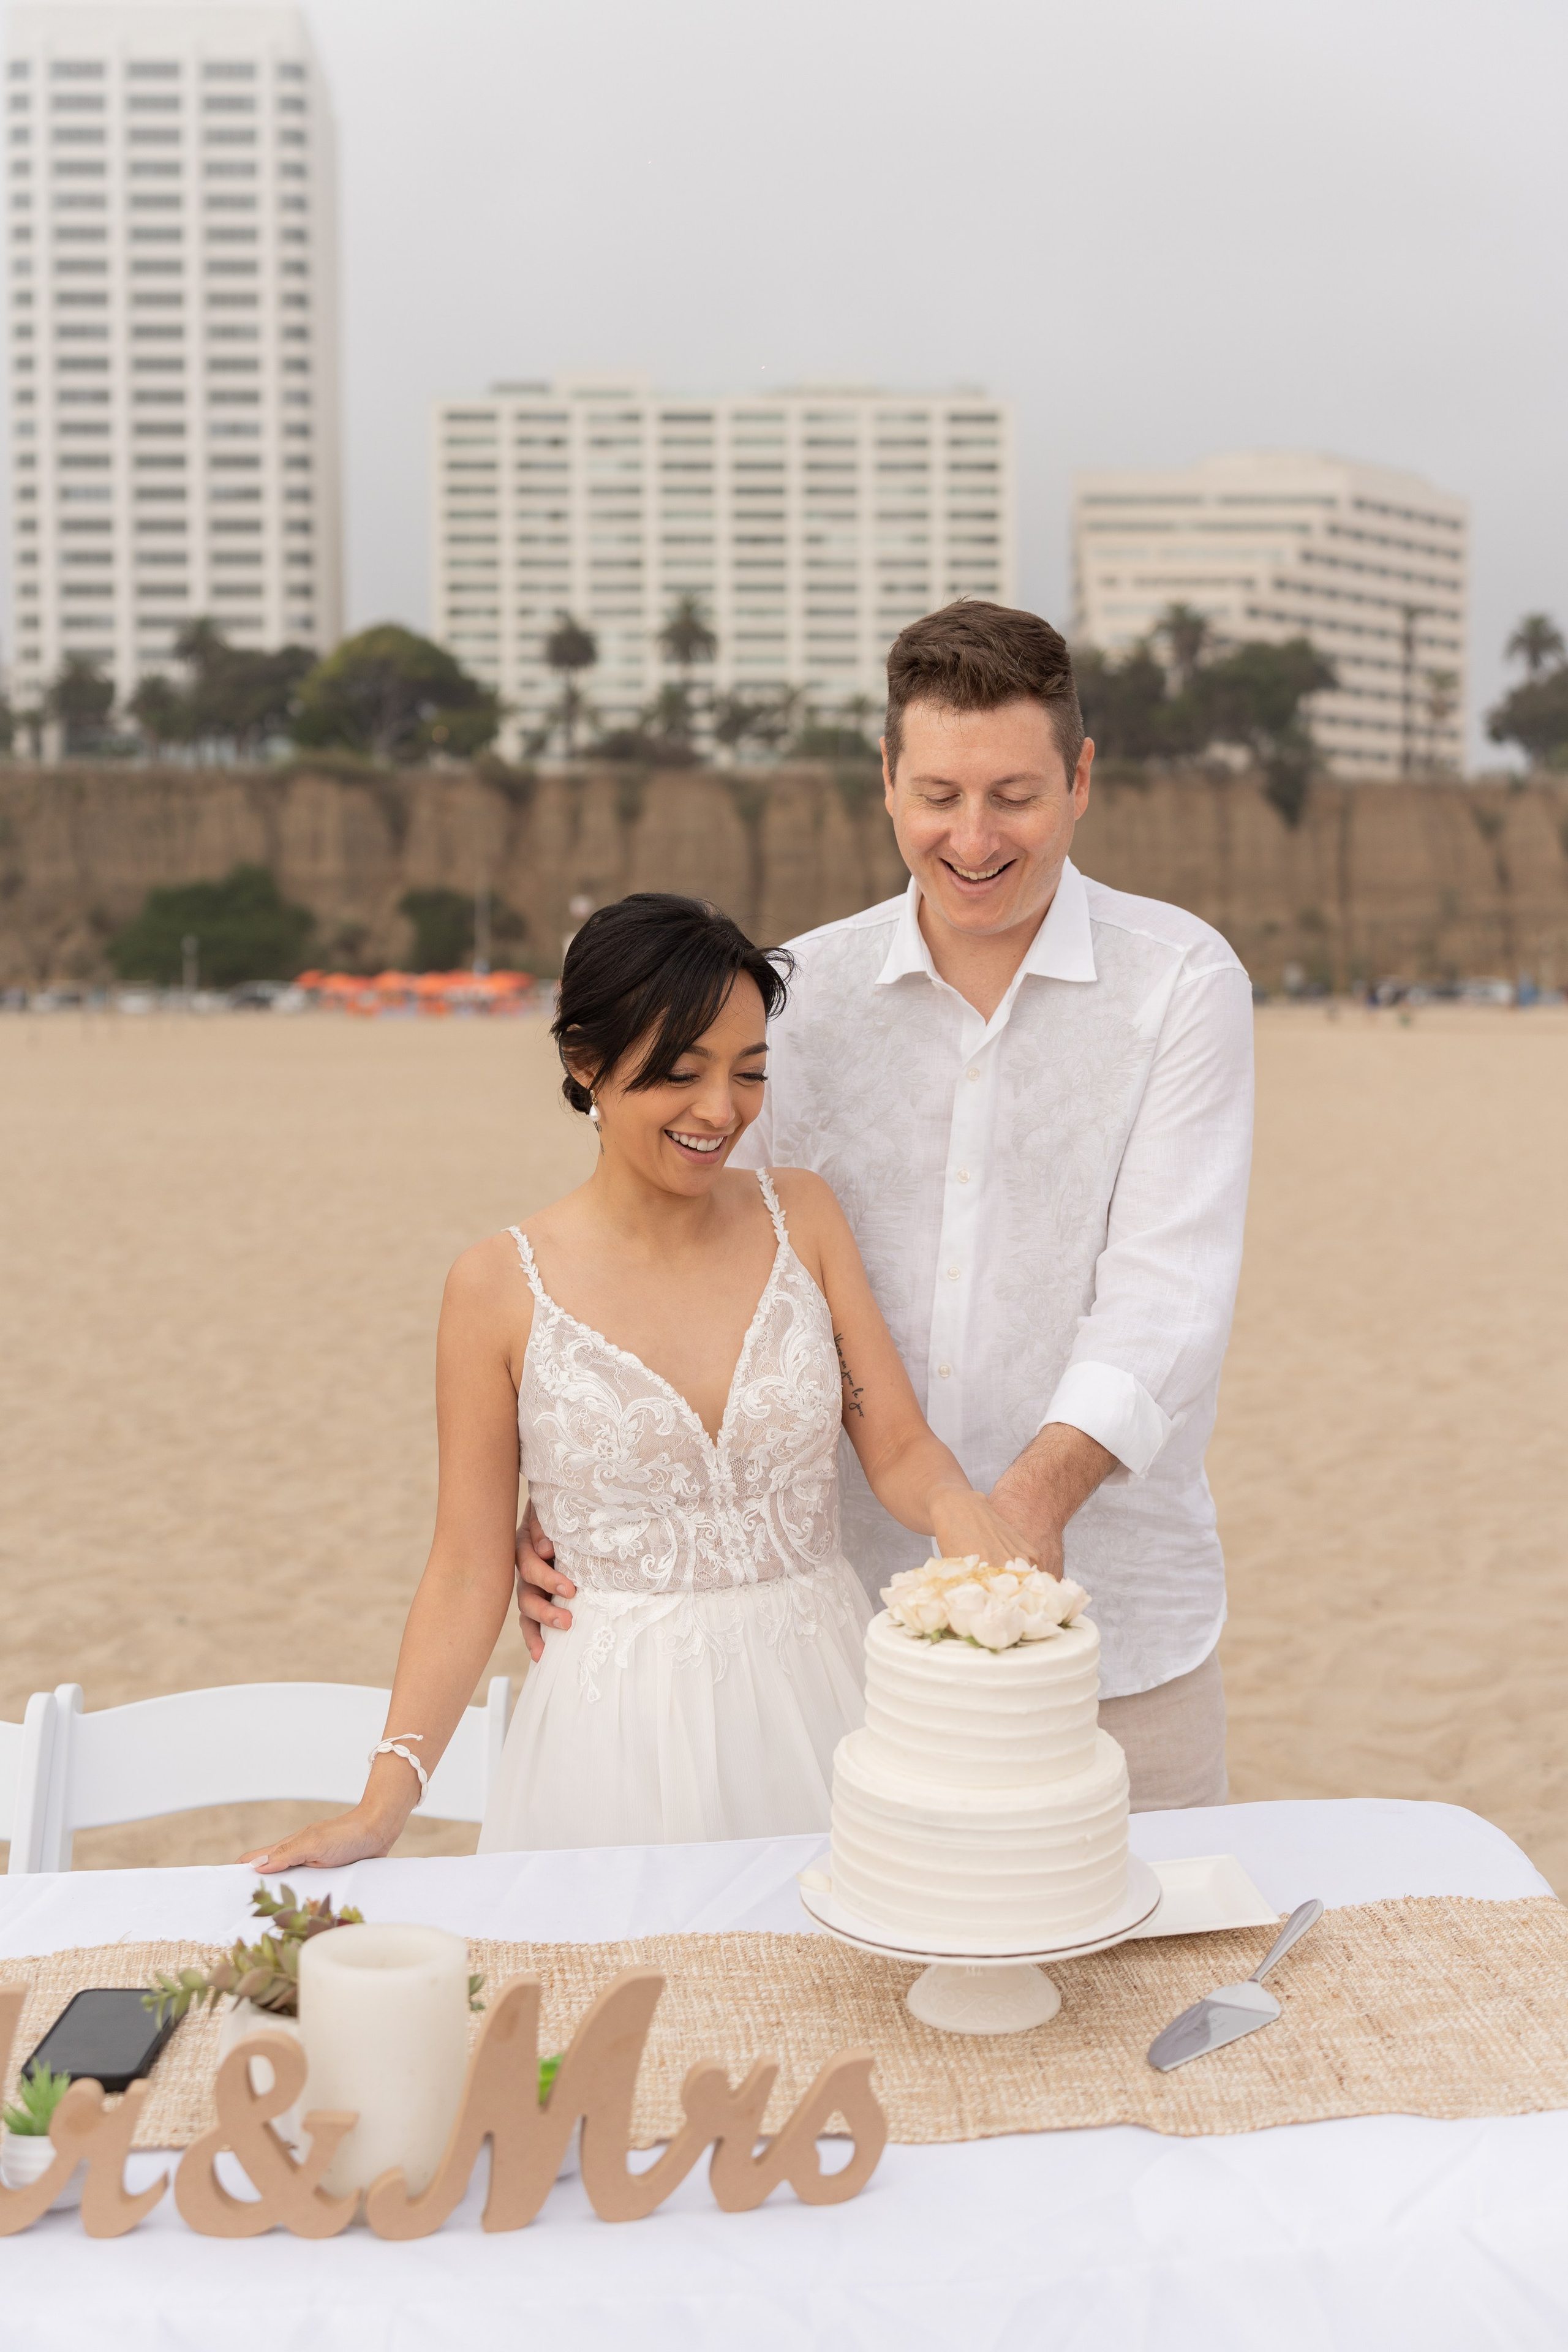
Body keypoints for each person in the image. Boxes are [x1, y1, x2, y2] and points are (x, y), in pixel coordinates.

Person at [517, 602, 1254, 1811]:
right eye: (938, 796)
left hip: (1116, 1631)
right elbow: (692, 1256)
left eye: (1014, 796)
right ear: (886, 782)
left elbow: (1167, 1298)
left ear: (1079, 780)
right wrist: (583, 1504)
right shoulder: (797, 998)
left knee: (1144, 1927)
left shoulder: (1179, 981)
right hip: (832, 1647)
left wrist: (1023, 1513)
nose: (972, 837)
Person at [241, 894, 1030, 1871]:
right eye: (681, 1073)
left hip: (825, 1694)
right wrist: (381, 1807)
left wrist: (957, 1507)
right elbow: (466, 1568)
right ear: (587, 1063)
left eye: (750, 1073)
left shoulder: (805, 1218)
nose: (722, 1112)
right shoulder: (495, 1288)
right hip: (614, 1731)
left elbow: (899, 1445)